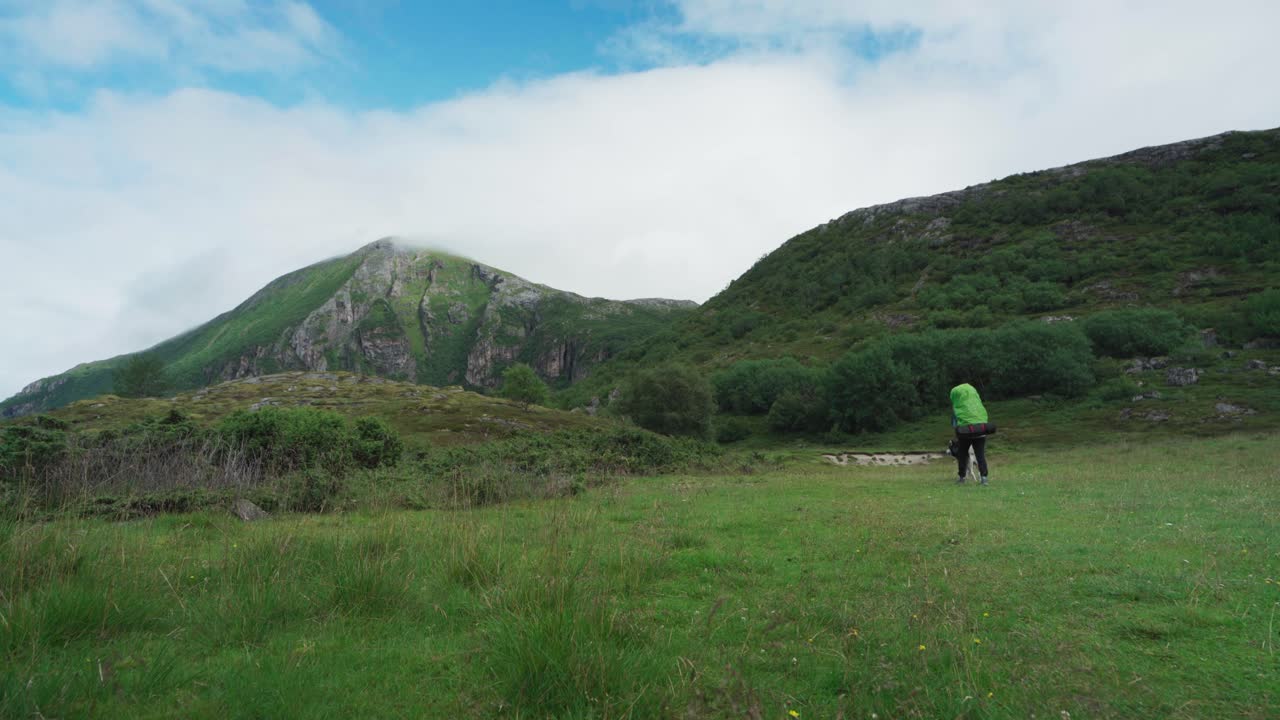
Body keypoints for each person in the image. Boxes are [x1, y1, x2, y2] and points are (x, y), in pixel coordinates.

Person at [949, 383, 993, 485]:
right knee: (980, 455)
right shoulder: (977, 404)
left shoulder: (958, 406)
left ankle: (962, 477)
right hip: (980, 431)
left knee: (962, 454)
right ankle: (984, 478)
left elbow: (954, 423)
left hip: (965, 433)